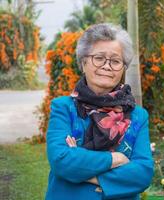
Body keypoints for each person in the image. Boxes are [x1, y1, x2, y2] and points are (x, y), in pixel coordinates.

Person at [45, 23, 154, 200]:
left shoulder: (138, 116)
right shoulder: (63, 108)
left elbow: (143, 174)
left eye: (115, 61)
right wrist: (116, 159)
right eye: (99, 58)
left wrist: (84, 170)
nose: (107, 66)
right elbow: (61, 161)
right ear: (84, 62)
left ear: (123, 68)